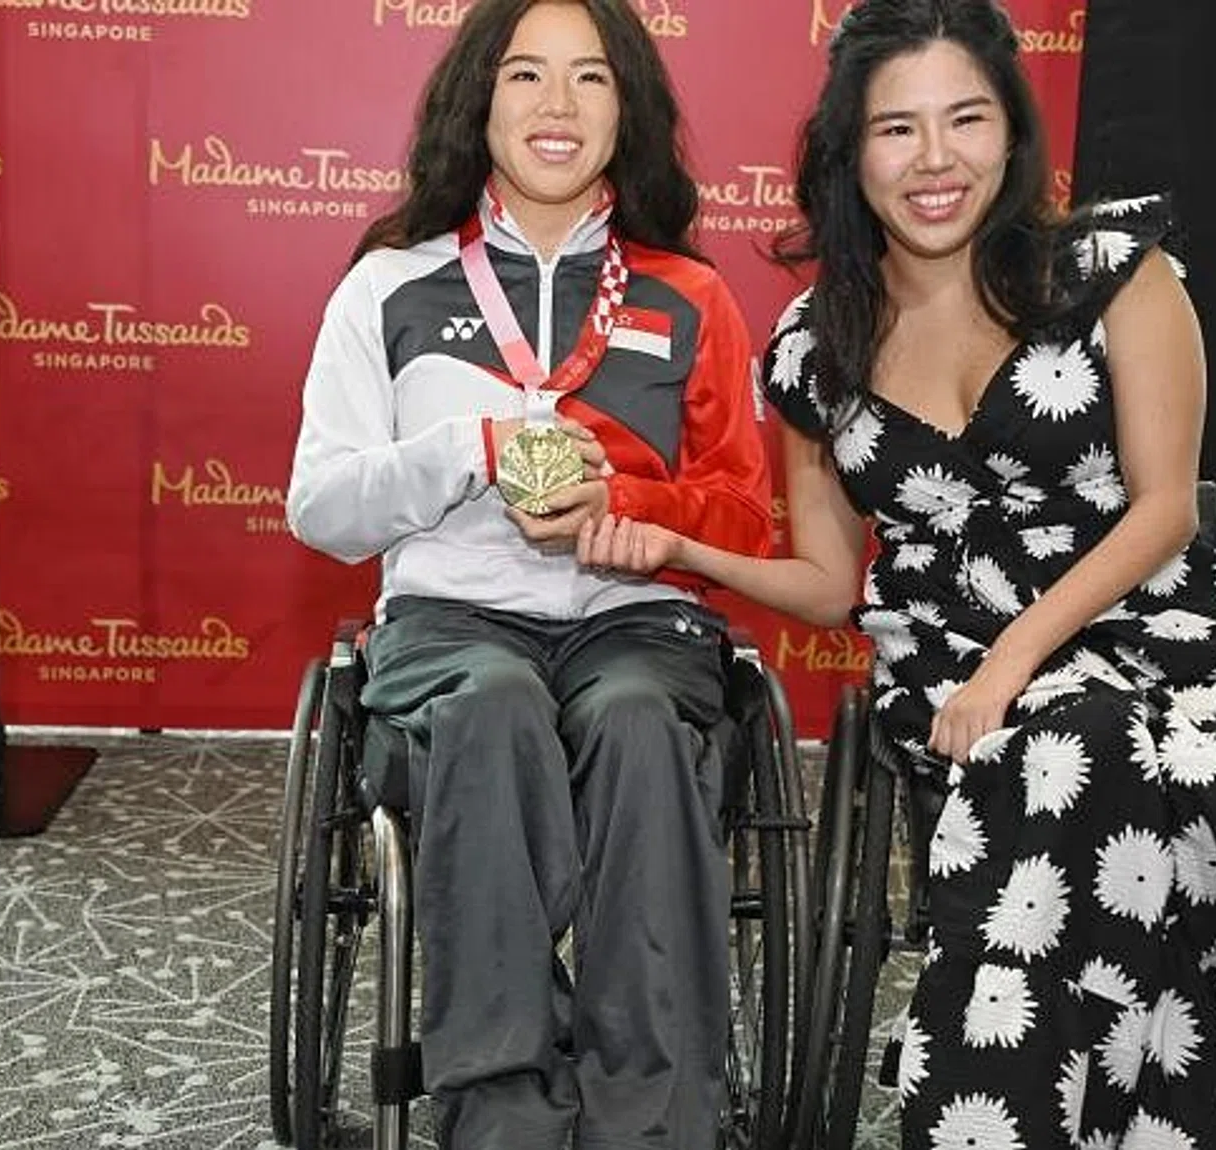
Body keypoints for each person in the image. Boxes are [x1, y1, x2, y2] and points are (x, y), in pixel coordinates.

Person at [579, 1, 1216, 1146]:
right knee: (1078, 752)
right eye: (896, 129)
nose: (934, 160)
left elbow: (1165, 509)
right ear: (848, 154)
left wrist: (1020, 656)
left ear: (1011, 133)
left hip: (1150, 616)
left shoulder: (1119, 273)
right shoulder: (817, 352)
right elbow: (829, 585)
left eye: (965, 118)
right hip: (950, 648)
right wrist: (679, 550)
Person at [285, 2, 771, 1147]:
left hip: (636, 623)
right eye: (526, 76)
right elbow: (322, 510)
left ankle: (651, 1115)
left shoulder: (688, 295)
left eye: (590, 79)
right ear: (480, 101)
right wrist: (469, 450)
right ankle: (501, 1106)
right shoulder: (388, 285)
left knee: (643, 723)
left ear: (627, 109)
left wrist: (635, 510)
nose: (557, 106)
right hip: (455, 624)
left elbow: (748, 519)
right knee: (495, 708)